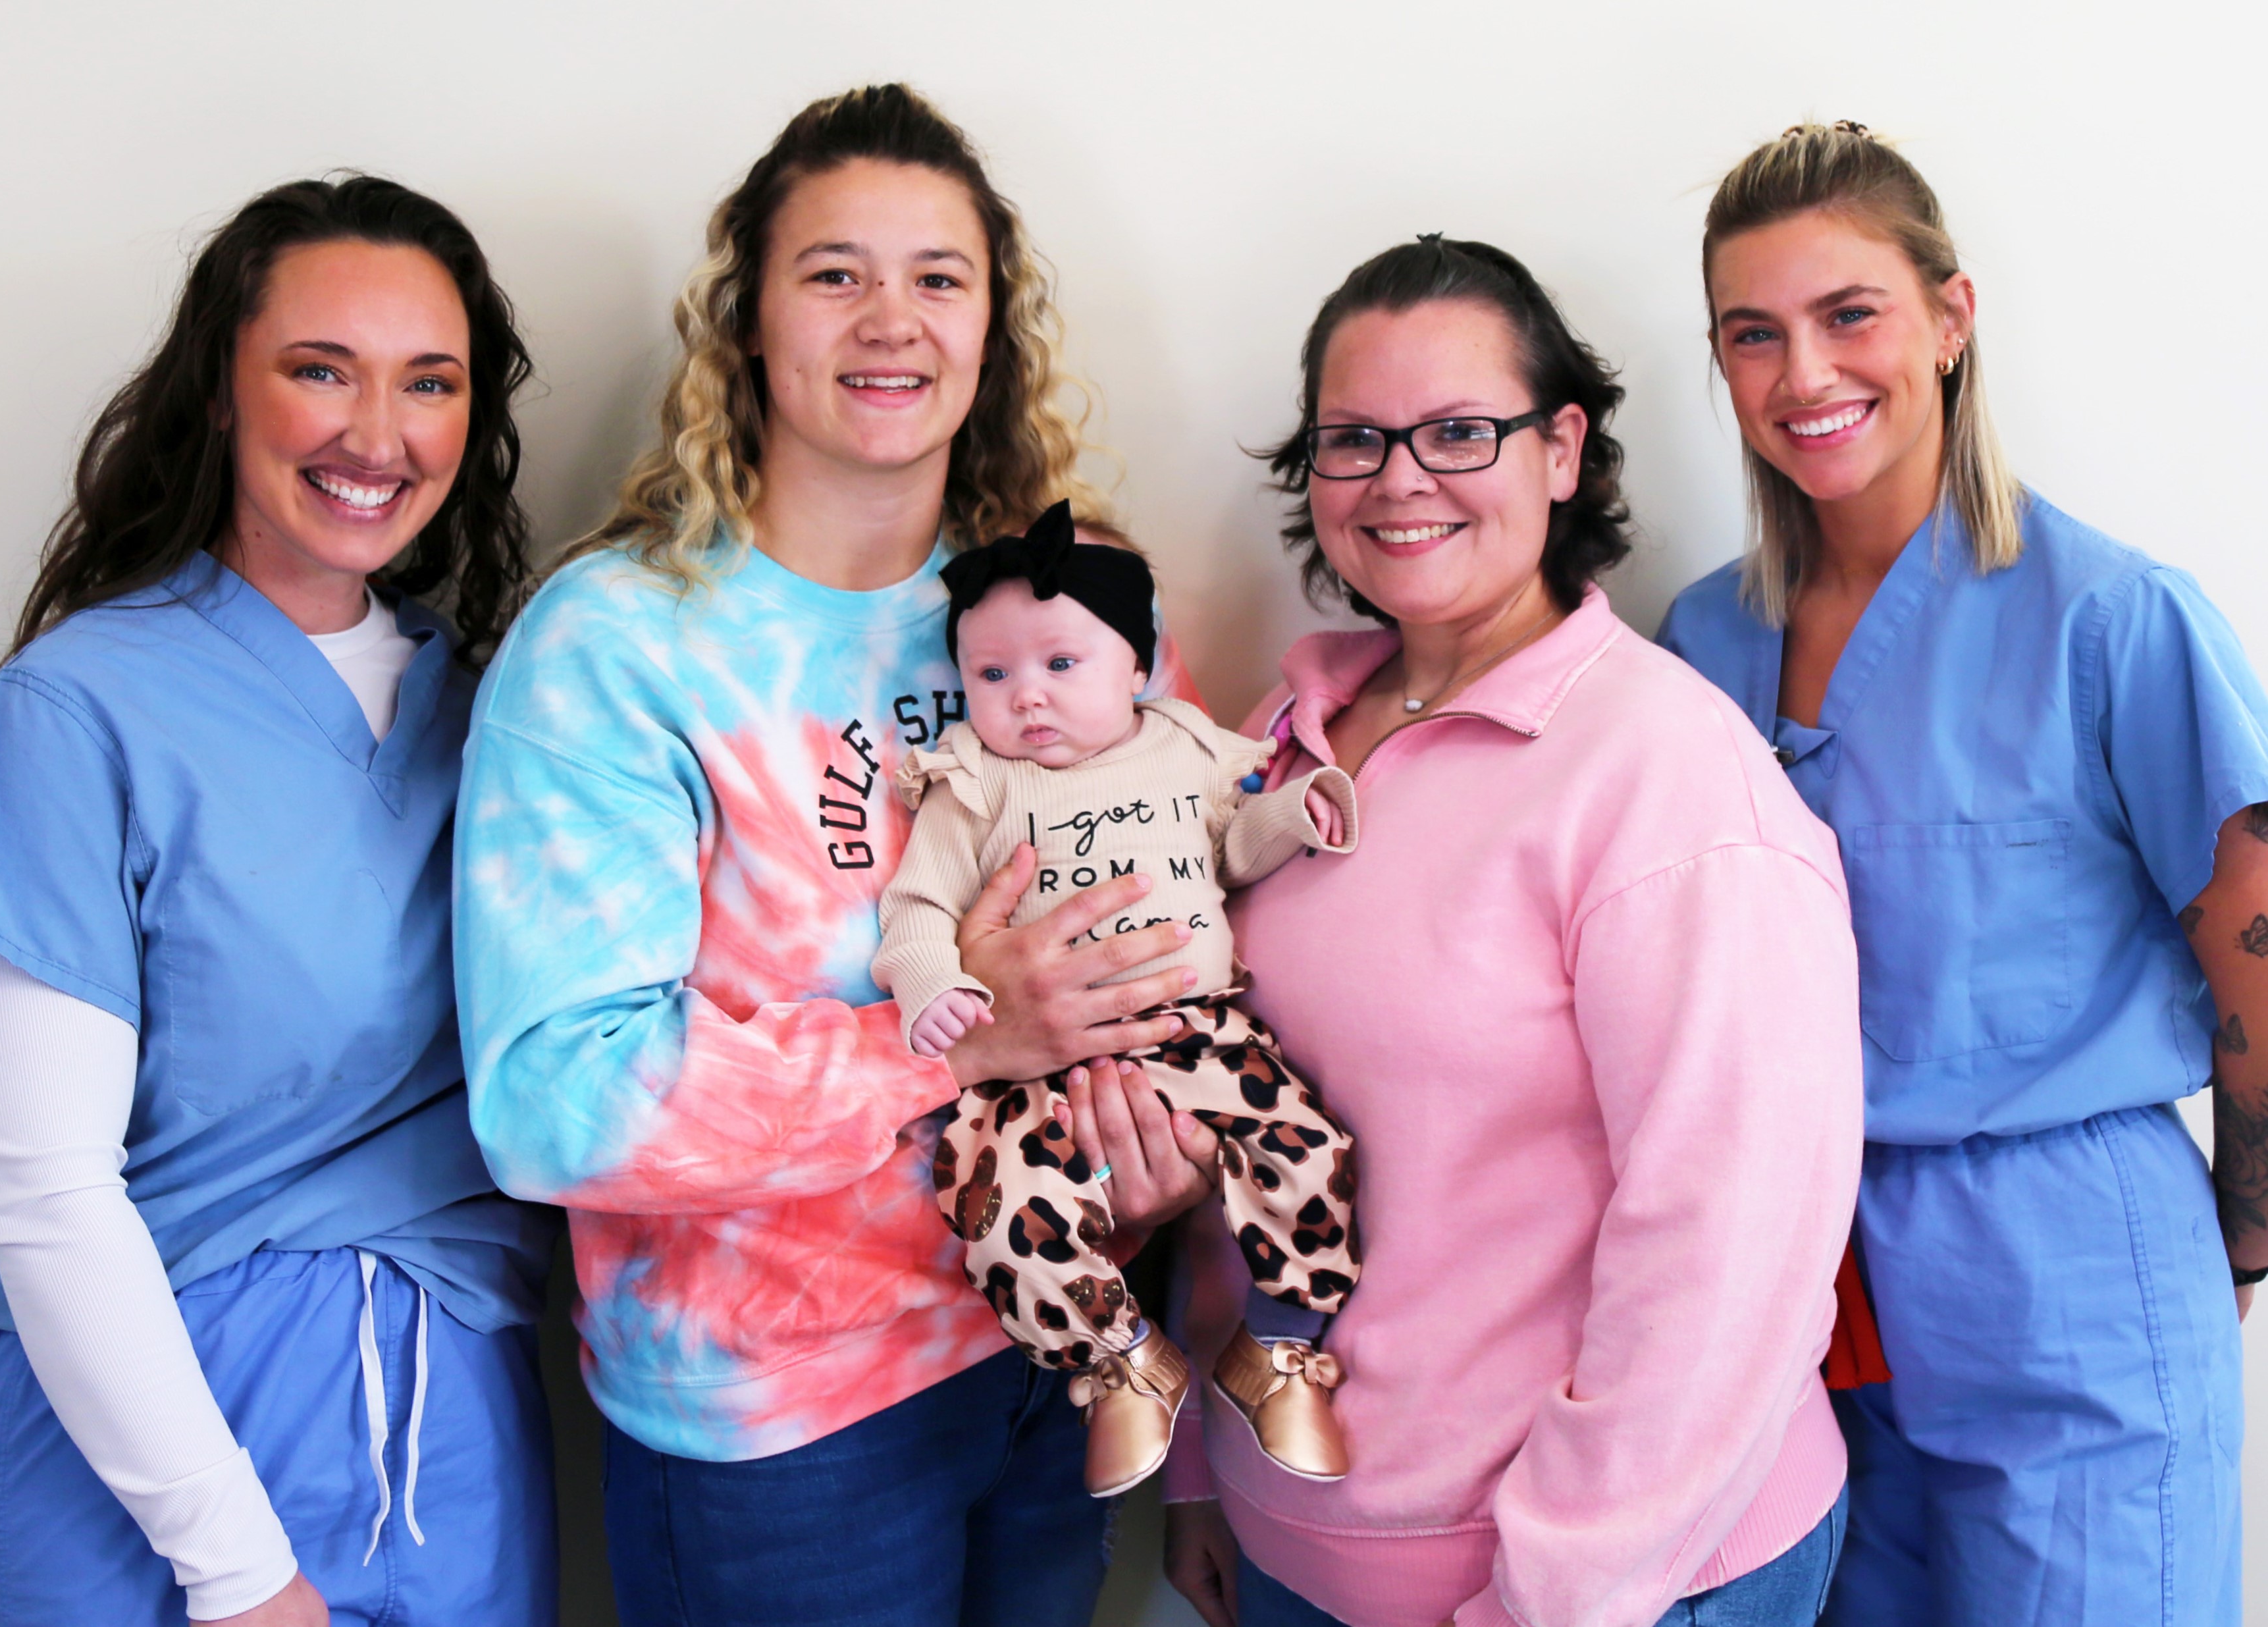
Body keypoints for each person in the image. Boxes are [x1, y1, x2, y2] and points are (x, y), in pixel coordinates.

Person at [454, 85, 1201, 1627]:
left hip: (1053, 1363)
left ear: (991, 328)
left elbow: (1158, 958)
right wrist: (952, 1039)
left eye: (939, 277)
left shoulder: (1070, 613)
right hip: (780, 1428)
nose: (891, 320)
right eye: (833, 272)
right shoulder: (620, 647)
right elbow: (556, 1108)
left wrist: (1165, 1166)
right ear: (746, 324)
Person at [1136, 234, 1865, 1627]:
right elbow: (1237, 1126)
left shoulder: (1667, 781)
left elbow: (1727, 1250)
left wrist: (1555, 1599)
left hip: (1612, 1580)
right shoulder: (1266, 756)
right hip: (1295, 1539)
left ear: (1561, 450)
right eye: (1354, 439)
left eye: (1461, 430)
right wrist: (1199, 1469)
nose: (1402, 478)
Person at [1656, 122, 2261, 1627]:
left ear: (1948, 318)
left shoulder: (2110, 619)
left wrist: (2237, 1231)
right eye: (1752, 334)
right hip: (1798, 1305)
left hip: (2064, 1282)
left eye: (1847, 314)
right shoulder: (1698, 644)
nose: (1802, 375)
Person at [0, 176, 556, 1627]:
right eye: (318, 371)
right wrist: (237, 1571)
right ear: (221, 394)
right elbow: (37, 1185)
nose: (377, 435)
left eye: (429, 383)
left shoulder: (505, 720)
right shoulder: (76, 708)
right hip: (136, 1464)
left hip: (444, 1447)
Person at [875, 498, 1359, 1497]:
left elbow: (1232, 847)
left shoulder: (1185, 746)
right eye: (991, 675)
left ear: (1136, 666)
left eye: (1062, 665)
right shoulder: (972, 781)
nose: (1026, 699)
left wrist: (1295, 816)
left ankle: (1281, 1349)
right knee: (998, 1208)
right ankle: (1120, 1360)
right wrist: (932, 985)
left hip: (1198, 1034)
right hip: (1033, 1070)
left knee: (1303, 1146)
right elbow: (915, 909)